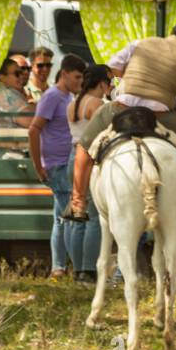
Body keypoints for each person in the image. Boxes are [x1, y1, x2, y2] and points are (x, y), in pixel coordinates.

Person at [64, 23, 176, 222]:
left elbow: (112, 66)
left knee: (84, 146)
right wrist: (169, 107)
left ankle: (78, 202)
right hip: (160, 114)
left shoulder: (140, 43)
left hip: (122, 108)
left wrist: (129, 78)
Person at [28, 54, 86, 279]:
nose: (79, 82)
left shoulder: (68, 95)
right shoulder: (52, 96)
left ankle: (59, 268)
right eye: (76, 77)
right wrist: (38, 165)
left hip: (66, 163)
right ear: (64, 74)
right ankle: (78, 270)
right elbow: (34, 130)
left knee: (60, 218)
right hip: (58, 165)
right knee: (70, 217)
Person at [66, 64, 113, 283]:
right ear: (103, 83)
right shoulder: (97, 104)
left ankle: (77, 269)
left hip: (72, 158)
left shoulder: (73, 103)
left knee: (77, 215)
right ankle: (88, 269)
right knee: (94, 217)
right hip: (91, 160)